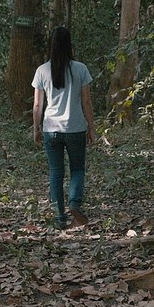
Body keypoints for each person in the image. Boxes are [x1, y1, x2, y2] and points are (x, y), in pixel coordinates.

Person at [32, 26, 96, 229]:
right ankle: (74, 204)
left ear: (51, 45)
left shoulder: (42, 70)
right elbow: (86, 102)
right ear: (69, 44)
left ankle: (59, 218)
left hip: (51, 129)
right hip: (75, 128)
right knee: (77, 169)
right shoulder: (80, 69)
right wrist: (92, 127)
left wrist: (36, 128)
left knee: (55, 172)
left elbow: (37, 105)